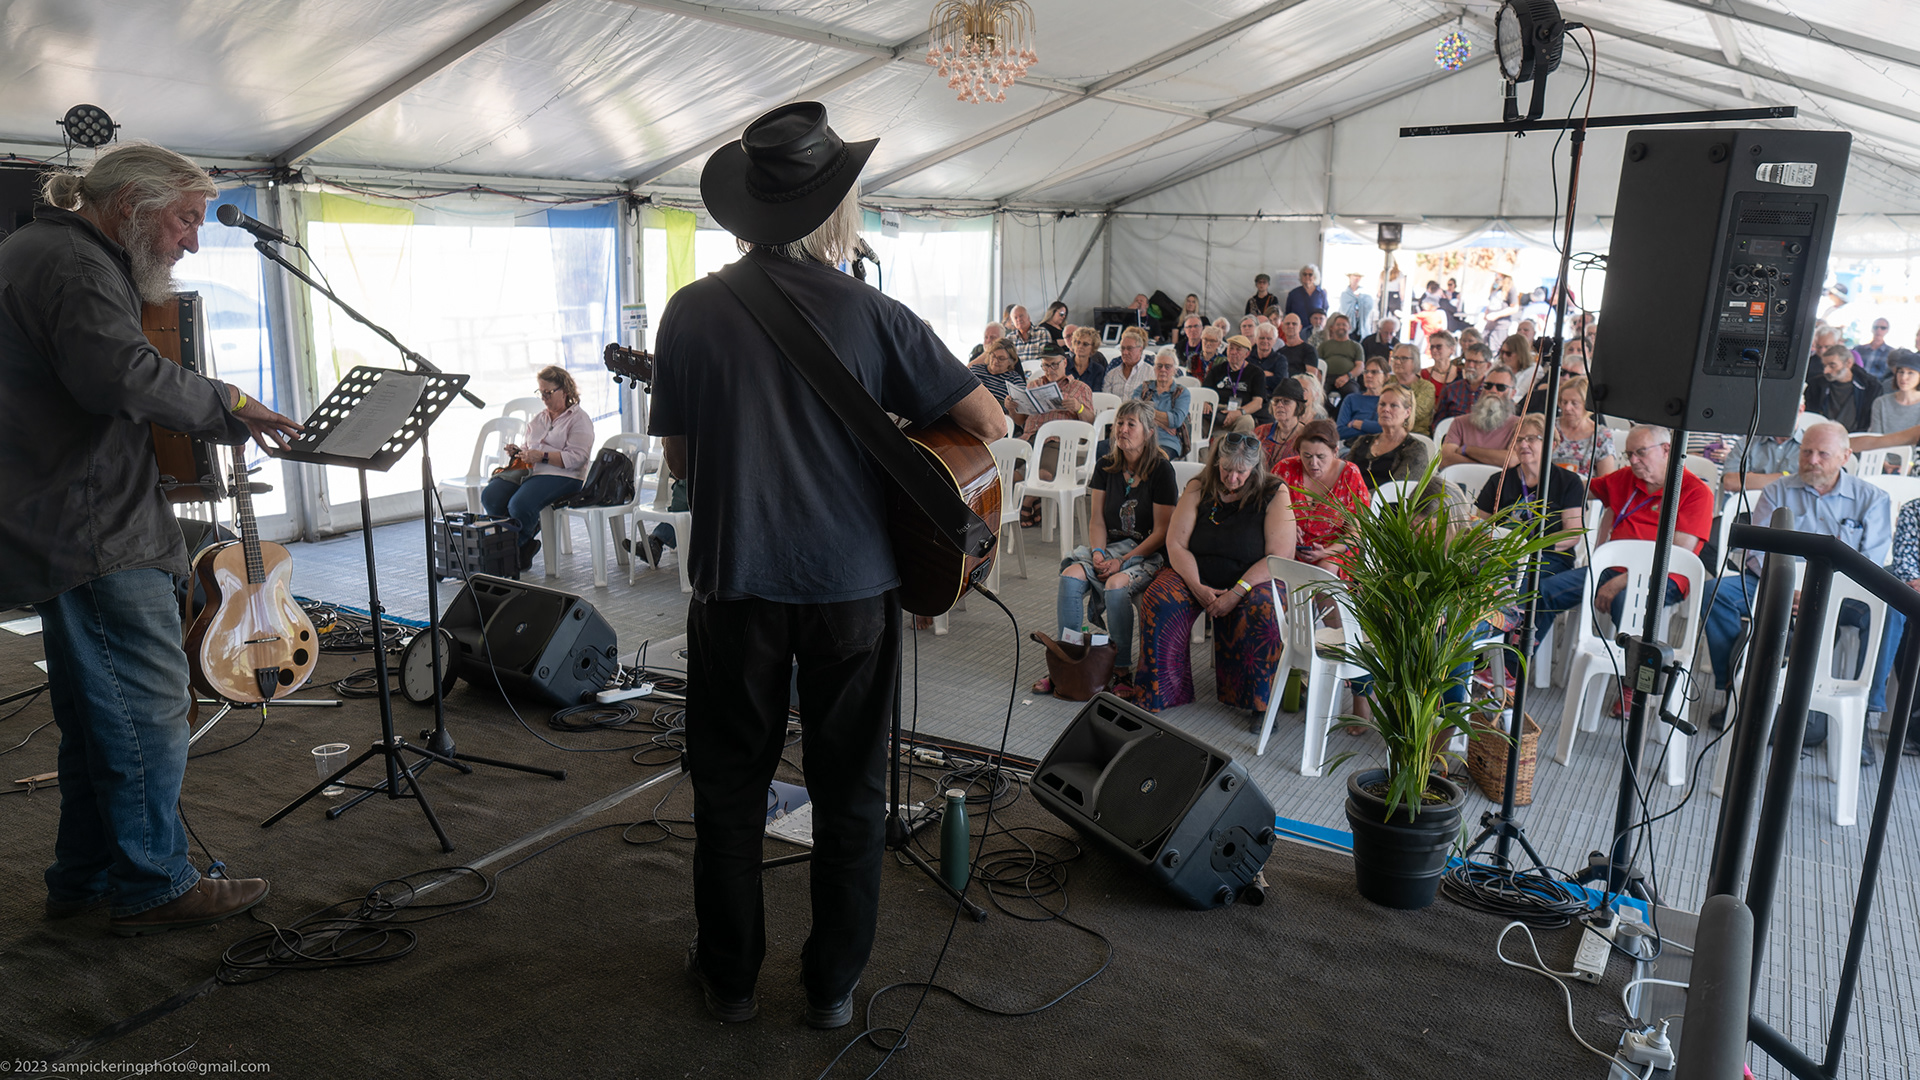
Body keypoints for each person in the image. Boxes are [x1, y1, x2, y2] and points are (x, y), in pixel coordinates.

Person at [652, 101, 1004, 1028]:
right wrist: (883, 427)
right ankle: (832, 987)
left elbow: (681, 464)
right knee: (851, 791)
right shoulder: (875, 313)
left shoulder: (689, 311)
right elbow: (990, 420)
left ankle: (730, 979)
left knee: (730, 787)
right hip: (851, 588)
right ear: (835, 211)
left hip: (734, 583)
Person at [1, 142, 303, 935]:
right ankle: (155, 886)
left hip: (60, 520)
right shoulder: (76, 264)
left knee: (97, 719)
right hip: (93, 529)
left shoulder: (40, 248)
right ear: (132, 205)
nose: (192, 242)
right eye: (186, 220)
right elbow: (120, 376)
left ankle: (84, 878)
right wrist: (230, 402)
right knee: (148, 712)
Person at [1702, 423, 1892, 722]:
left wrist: (1821, 593)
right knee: (1714, 594)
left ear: (1845, 456)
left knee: (1886, 615)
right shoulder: (1777, 490)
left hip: (1840, 592)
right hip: (1777, 583)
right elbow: (1757, 551)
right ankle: (1735, 689)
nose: (1812, 460)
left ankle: (1865, 710)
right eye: (1806, 452)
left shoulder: (1872, 498)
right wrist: (1786, 587)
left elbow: (1871, 563)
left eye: (1822, 454)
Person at [1135, 433, 1295, 712]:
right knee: (1158, 599)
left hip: (1253, 578)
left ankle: (1258, 704)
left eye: (1241, 472)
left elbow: (1278, 557)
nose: (1232, 478)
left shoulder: (1274, 492)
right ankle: (1162, 692)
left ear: (1255, 468)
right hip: (1196, 573)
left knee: (1264, 609)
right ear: (1217, 462)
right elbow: (1176, 544)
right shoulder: (1199, 486)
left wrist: (1237, 592)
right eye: (1226, 469)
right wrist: (1196, 586)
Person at [1040, 400, 1180, 699]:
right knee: (1070, 576)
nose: (1123, 429)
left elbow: (1162, 532)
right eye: (1119, 423)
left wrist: (1123, 561)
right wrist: (1099, 553)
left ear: (1149, 432)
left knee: (1116, 586)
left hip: (1147, 553)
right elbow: (1097, 520)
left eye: (1131, 424)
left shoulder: (1161, 470)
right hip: (1111, 548)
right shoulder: (1106, 465)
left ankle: (1120, 669)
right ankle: (1068, 661)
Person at [1532, 424, 1714, 644]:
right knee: (1545, 591)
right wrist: (1534, 472)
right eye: (1629, 454)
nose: (1633, 460)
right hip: (1613, 569)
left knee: (1626, 603)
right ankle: (1515, 663)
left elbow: (1675, 557)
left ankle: (1632, 665)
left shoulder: (1695, 492)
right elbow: (1580, 489)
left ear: (1666, 450)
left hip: (1661, 577)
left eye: (1641, 452)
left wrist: (1621, 582)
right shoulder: (1627, 477)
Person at [485, 365, 596, 571]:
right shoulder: (539, 418)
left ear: (565, 391)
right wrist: (519, 451)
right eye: (541, 392)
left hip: (565, 476)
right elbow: (529, 446)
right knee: (491, 496)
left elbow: (578, 458)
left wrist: (542, 456)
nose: (544, 398)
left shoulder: (579, 419)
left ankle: (509, 549)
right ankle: (519, 546)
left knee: (520, 504)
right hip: (533, 472)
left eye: (548, 393)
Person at [1474, 414, 1585, 587]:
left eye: (1531, 439)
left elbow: (1572, 534)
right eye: (1519, 440)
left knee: (1514, 579)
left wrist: (1529, 548)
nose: (1523, 444)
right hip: (1503, 555)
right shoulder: (1499, 480)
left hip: (1547, 557)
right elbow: (1480, 526)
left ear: (1551, 444)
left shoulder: (1569, 482)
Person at [1011, 347, 1096, 526]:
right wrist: (1012, 408)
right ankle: (1035, 499)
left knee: (1044, 473)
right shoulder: (1033, 385)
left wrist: (1079, 407)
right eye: (1045, 366)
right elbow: (1020, 421)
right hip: (1030, 438)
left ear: (1065, 362)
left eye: (1054, 365)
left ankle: (1027, 500)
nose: (1050, 370)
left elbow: (1090, 423)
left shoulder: (1080, 388)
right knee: (1003, 469)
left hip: (1058, 442)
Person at [1274, 420, 1370, 574]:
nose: (1313, 463)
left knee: (1326, 569)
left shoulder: (1350, 475)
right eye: (1306, 456)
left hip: (1334, 551)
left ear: (1335, 452)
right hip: (1290, 546)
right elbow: (1266, 512)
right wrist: (1286, 528)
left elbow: (1355, 534)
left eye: (1321, 456)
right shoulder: (1285, 469)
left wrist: (1326, 552)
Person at [1347, 383, 1432, 489]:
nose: (1385, 409)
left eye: (1393, 405)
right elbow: (1344, 475)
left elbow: (1397, 490)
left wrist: (1362, 497)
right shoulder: (1363, 441)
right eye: (1382, 404)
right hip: (1351, 497)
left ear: (1407, 412)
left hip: (1384, 499)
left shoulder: (1415, 449)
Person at [1438, 363, 1519, 468]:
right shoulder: (1460, 422)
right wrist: (1492, 463)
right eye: (1488, 385)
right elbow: (1446, 459)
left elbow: (1511, 460)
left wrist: (1466, 449)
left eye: (1501, 387)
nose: (1493, 391)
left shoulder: (1520, 425)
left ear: (1513, 393)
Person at [1551, 375, 1617, 479]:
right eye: (1564, 402)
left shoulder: (1601, 436)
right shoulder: (1550, 427)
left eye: (1574, 403)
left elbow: (1606, 480)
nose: (1567, 408)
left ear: (1587, 404)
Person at [1805, 343, 1881, 432]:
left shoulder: (1871, 388)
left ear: (1848, 363)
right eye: (1824, 366)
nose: (1826, 371)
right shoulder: (1815, 385)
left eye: (1832, 366)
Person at [1202, 335, 1266, 437]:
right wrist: (1205, 402)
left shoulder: (1256, 373)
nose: (1233, 352)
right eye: (1231, 348)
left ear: (1247, 354)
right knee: (1197, 417)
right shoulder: (1217, 369)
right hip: (1216, 411)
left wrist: (1238, 412)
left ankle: (1236, 446)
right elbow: (1204, 391)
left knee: (1247, 421)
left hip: (1240, 412)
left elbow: (1257, 403)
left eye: (1238, 349)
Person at [1136, 349, 1191, 459]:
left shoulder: (1181, 392)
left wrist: (1145, 411)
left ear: (1175, 370)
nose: (1163, 370)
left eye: (1168, 366)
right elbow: (1133, 412)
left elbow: (1176, 420)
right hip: (1139, 438)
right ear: (1154, 368)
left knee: (1154, 459)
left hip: (1167, 441)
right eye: (1159, 366)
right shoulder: (1144, 388)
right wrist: (1162, 423)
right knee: (1103, 448)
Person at [1255, 377, 1310, 471]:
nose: (1279, 405)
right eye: (1276, 401)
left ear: (1299, 407)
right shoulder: (1260, 432)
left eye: (1286, 401)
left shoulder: (1307, 436)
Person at [1868, 349, 1920, 442]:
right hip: (1882, 450)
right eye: (1901, 372)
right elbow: (1875, 439)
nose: (1903, 377)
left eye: (1910, 372)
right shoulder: (1881, 403)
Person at [1386, 342, 1436, 435]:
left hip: (1415, 435)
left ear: (1415, 361)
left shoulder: (1426, 387)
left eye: (1404, 358)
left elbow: (1416, 414)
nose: (1397, 362)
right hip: (1385, 432)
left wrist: (1387, 414)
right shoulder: (1387, 381)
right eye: (1396, 358)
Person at [1336, 357, 1387, 446]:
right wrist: (1372, 429)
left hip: (1380, 447)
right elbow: (1339, 432)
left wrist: (1357, 424)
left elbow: (1388, 428)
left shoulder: (1389, 401)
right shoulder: (1351, 399)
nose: (1368, 375)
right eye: (1366, 372)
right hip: (1352, 447)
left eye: (1374, 372)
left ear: (1386, 377)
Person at [968, 336, 1024, 408]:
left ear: (1011, 361)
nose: (995, 361)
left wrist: (1009, 406)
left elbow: (1022, 407)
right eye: (993, 356)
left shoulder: (1015, 380)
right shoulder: (975, 370)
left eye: (1001, 358)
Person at [1318, 312, 1364, 395]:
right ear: (1332, 328)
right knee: (1319, 394)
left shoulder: (1356, 346)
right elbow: (1317, 364)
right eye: (1338, 325)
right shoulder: (1324, 345)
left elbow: (1360, 366)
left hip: (1348, 378)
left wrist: (1347, 376)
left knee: (1352, 394)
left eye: (1344, 325)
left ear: (1349, 328)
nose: (1341, 327)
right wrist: (1320, 377)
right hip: (1326, 378)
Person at [1102, 328, 1152, 399]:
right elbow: (1106, 400)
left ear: (1140, 349)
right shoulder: (1112, 374)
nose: (1125, 352)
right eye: (1122, 348)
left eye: (1129, 348)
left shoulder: (1151, 373)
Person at [1285, 264, 1328, 330]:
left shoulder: (1321, 294)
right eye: (1304, 274)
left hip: (1316, 330)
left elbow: (1324, 312)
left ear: (1315, 277)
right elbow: (1288, 313)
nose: (1307, 276)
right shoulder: (1293, 294)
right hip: (1297, 330)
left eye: (1310, 274)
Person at [1064, 327, 1108, 391]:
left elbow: (1096, 393)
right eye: (1078, 342)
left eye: (1085, 344)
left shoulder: (1098, 370)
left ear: (1093, 348)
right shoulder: (1063, 365)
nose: (1080, 346)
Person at [1338, 271, 1376, 339]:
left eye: (1359, 276)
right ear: (1350, 277)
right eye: (1355, 276)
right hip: (1348, 327)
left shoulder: (1366, 294)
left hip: (1362, 327)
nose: (1357, 278)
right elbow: (1344, 310)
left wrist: (1360, 301)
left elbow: (1369, 306)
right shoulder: (1345, 294)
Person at [1483, 273, 1520, 342]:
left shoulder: (1510, 287)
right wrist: (1486, 313)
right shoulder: (1495, 286)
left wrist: (1496, 315)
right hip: (1489, 324)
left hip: (1501, 325)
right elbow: (1490, 302)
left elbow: (1515, 308)